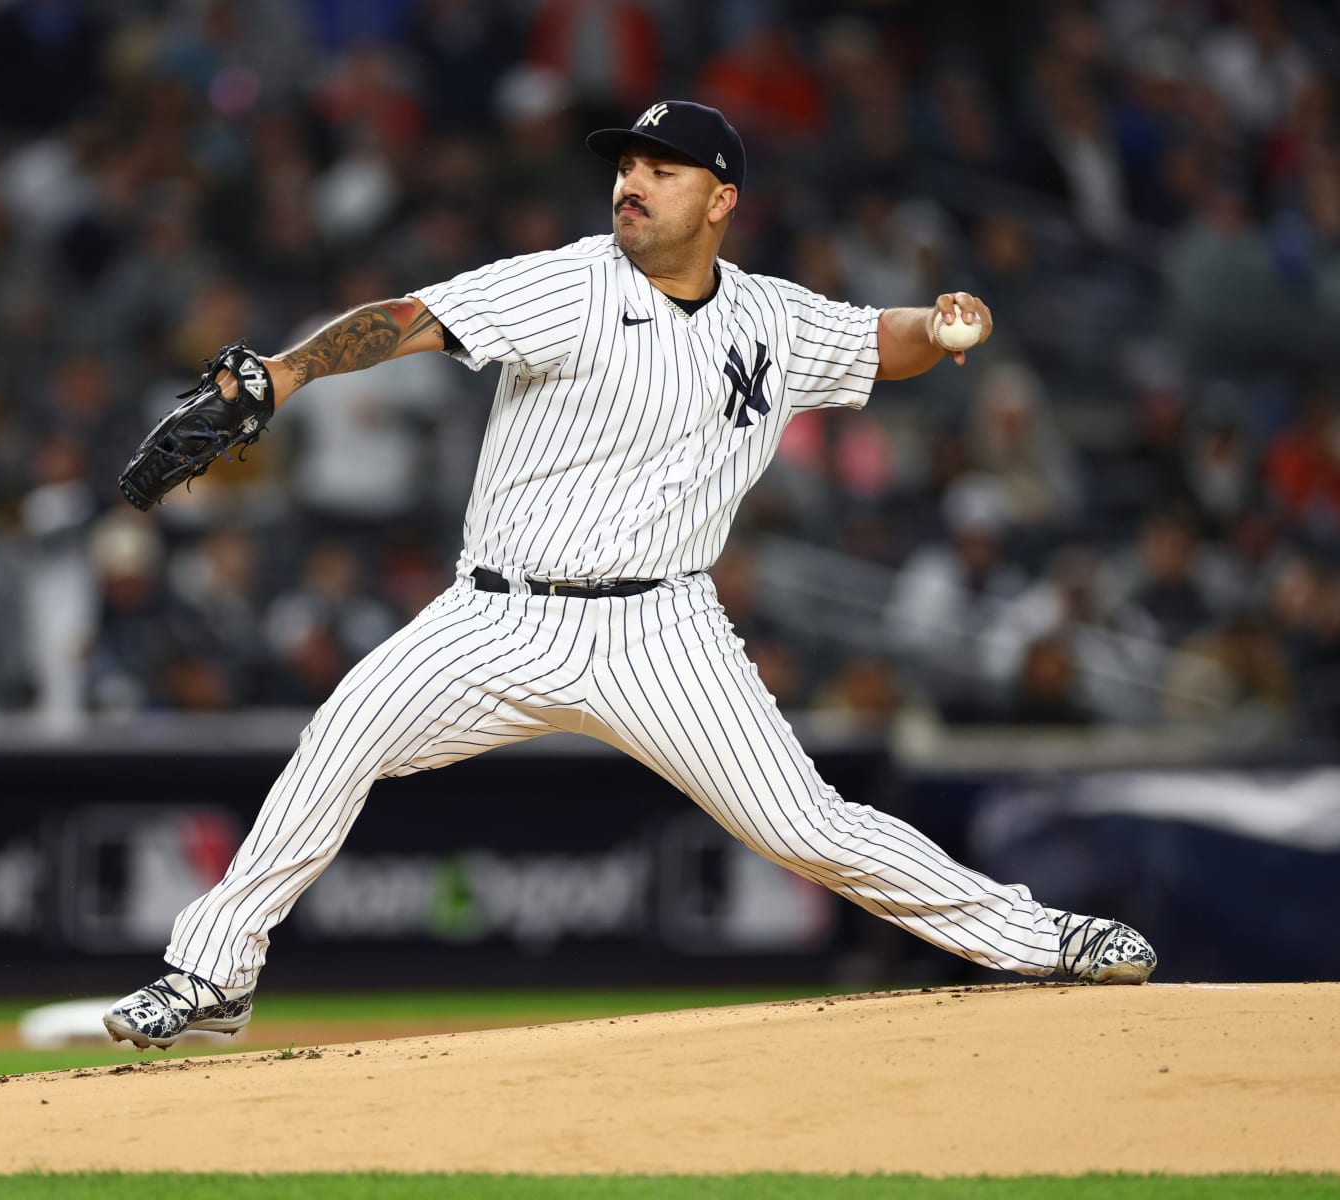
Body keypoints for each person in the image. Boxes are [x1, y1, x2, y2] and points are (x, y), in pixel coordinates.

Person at [104, 101, 1157, 1051]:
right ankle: (211, 974)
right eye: (626, 165)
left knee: (807, 827)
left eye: (663, 168)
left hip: (665, 630)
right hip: (497, 617)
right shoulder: (566, 283)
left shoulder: (770, 319)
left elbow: (878, 344)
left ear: (721, 199)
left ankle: (1039, 935)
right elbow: (411, 320)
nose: (632, 183)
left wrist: (935, 325)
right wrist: (285, 373)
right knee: (338, 738)